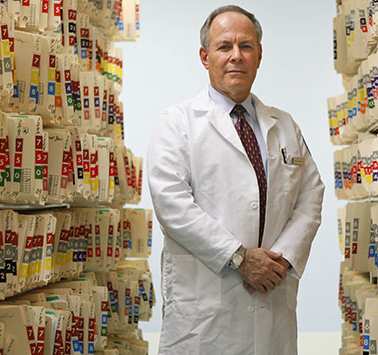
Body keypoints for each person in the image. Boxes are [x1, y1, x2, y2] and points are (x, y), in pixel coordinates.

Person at [147, 5, 324, 355]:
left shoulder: (284, 125)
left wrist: (281, 260)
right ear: (205, 56)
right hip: (205, 315)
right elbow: (172, 204)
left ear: (259, 56)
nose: (236, 56)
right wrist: (240, 258)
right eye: (224, 46)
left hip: (271, 303)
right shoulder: (178, 123)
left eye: (246, 46)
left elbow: (311, 195)